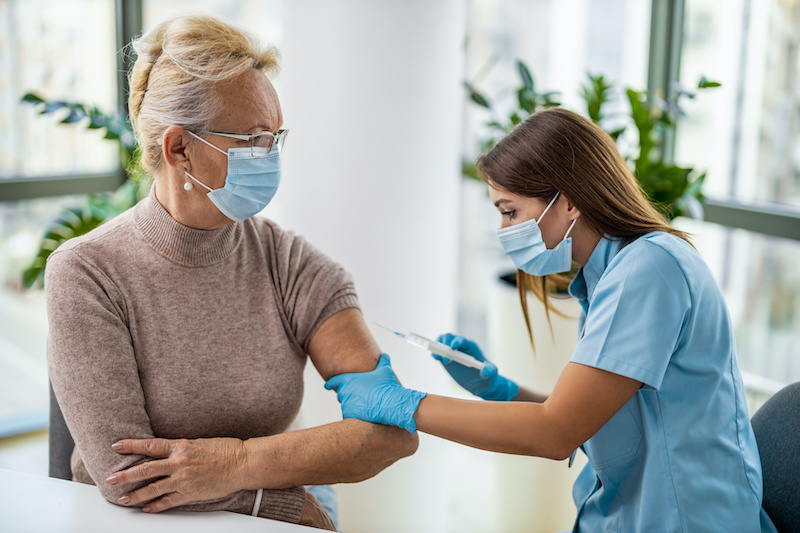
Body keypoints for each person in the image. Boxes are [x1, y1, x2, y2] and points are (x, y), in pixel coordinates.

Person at [323, 108, 778, 532]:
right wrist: (502, 392)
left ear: (570, 201)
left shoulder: (648, 270)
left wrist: (405, 404)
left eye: (510, 211)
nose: (504, 231)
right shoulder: (611, 274)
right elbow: (594, 414)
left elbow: (557, 432)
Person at [45, 14, 417, 530]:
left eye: (276, 138)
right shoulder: (87, 272)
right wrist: (279, 502)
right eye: (254, 140)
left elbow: (392, 429)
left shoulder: (294, 265)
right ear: (180, 150)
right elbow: (126, 475)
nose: (272, 157)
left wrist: (235, 465)